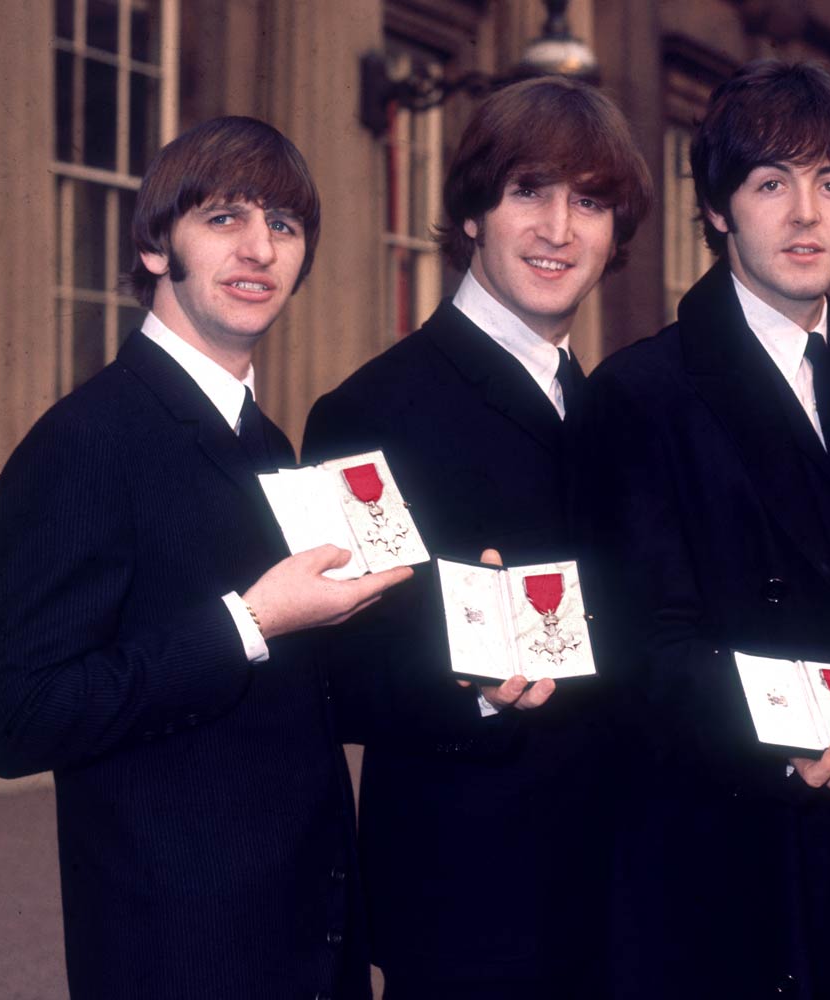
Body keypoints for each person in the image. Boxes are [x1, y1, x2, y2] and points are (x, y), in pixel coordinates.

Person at [0, 117, 413, 999]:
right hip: (179, 958)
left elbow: (298, 700)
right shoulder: (85, 442)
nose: (258, 249)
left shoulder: (271, 443)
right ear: (155, 245)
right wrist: (250, 621)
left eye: (283, 227)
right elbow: (17, 719)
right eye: (224, 218)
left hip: (304, 942)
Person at [577, 60, 830, 999]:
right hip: (722, 868)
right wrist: (797, 728)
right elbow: (646, 654)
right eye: (773, 183)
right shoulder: (643, 394)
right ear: (719, 210)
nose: (807, 215)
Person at [302, 76, 652, 1000]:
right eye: (528, 191)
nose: (558, 230)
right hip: (469, 905)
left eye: (590, 202)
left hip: (618, 899)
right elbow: (337, 683)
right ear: (470, 213)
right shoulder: (372, 411)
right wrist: (475, 684)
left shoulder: (618, 408)